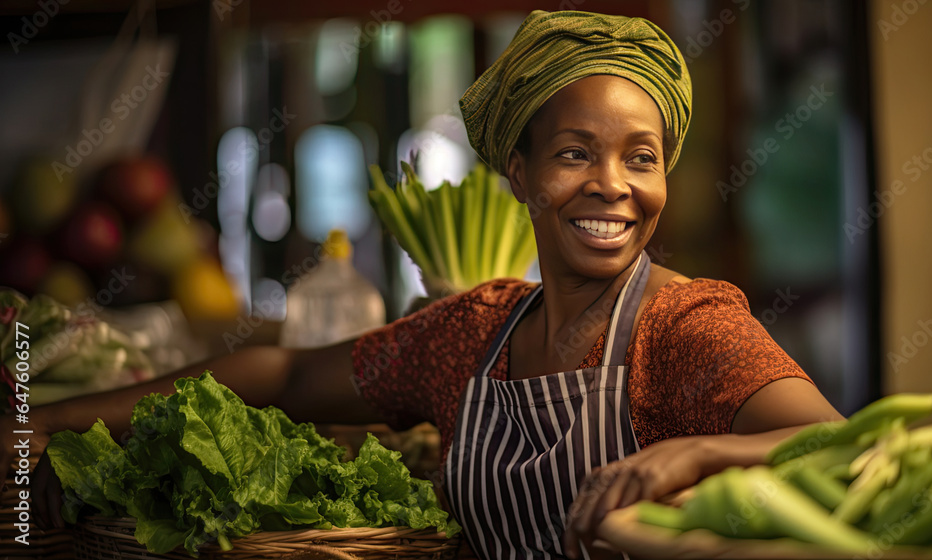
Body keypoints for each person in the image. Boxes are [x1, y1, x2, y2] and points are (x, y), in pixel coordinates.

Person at [0, 9, 844, 560]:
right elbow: (286, 375)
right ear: (520, 172)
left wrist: (700, 450)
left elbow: (845, 447)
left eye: (641, 157)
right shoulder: (475, 333)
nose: (613, 185)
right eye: (575, 152)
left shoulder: (689, 328)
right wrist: (46, 416)